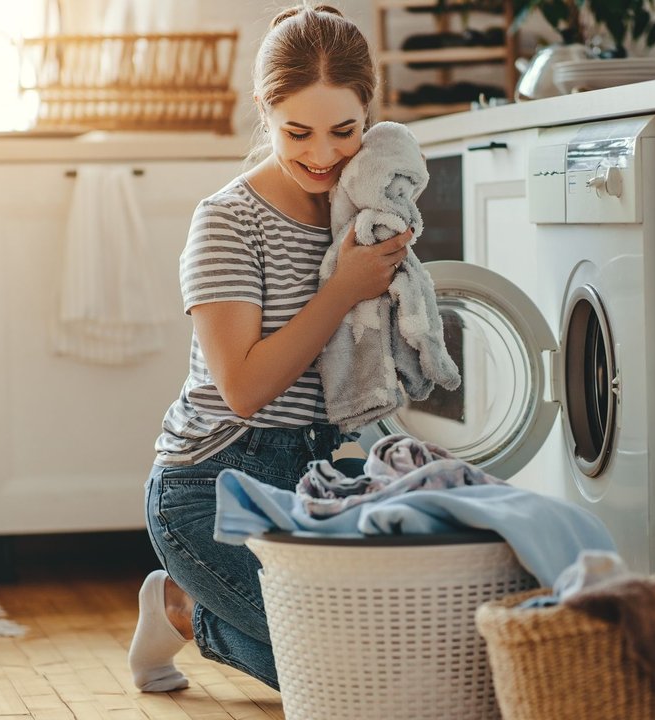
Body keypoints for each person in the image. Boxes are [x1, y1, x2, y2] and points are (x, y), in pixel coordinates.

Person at [127, 4, 413, 692]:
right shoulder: (228, 221)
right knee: (348, 682)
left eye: (345, 132)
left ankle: (203, 610)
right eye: (297, 132)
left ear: (371, 115)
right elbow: (245, 390)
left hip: (317, 478)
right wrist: (341, 289)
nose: (322, 155)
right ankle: (184, 607)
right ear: (264, 108)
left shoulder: (366, 210)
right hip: (210, 488)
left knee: (409, 654)